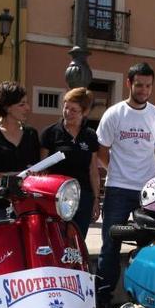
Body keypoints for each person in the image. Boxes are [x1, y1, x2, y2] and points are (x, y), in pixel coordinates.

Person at [94, 62, 155, 308]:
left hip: (148, 191)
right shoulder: (114, 114)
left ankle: (144, 299)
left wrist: (142, 171)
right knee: (110, 243)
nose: (144, 90)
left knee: (149, 243)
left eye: (148, 86)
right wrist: (118, 169)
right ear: (129, 84)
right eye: (139, 85)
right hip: (117, 189)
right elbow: (102, 149)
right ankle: (103, 300)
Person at [40, 87, 101, 235]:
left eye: (74, 110)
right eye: (66, 107)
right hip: (57, 198)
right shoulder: (50, 133)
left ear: (84, 112)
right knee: (56, 240)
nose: (68, 113)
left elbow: (93, 170)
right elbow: (42, 169)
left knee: (77, 241)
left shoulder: (90, 135)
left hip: (83, 197)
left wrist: (96, 199)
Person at [0, 81, 40, 221]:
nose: (28, 108)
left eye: (27, 103)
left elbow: (36, 168)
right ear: (7, 107)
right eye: (22, 104)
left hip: (26, 204)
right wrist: (14, 177)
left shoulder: (31, 133)